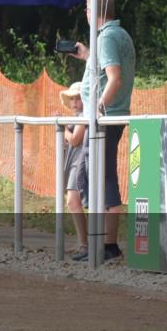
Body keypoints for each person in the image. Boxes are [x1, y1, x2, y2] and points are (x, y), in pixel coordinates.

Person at [71, 0, 135, 261]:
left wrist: (97, 107)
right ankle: (104, 244)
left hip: (103, 119)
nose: (85, 14)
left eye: (86, 9)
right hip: (106, 116)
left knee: (102, 177)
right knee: (99, 176)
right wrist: (88, 56)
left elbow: (114, 77)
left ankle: (107, 244)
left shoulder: (107, 37)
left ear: (94, 12)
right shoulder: (116, 35)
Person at [59, 82, 89, 261]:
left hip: (79, 161)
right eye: (72, 98)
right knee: (73, 202)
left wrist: (62, 128)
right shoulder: (78, 116)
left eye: (78, 98)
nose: (75, 102)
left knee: (73, 201)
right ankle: (82, 242)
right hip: (75, 161)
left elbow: (75, 140)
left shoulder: (84, 115)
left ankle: (84, 244)